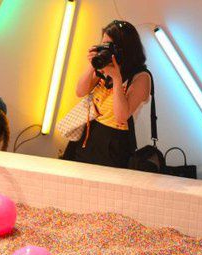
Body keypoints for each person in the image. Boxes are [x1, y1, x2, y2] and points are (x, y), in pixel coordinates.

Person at [62, 20, 151, 168]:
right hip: (88, 134)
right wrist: (92, 65)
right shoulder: (104, 66)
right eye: (104, 44)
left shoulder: (141, 77)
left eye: (111, 46)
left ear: (125, 49)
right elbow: (80, 91)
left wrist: (116, 78)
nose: (107, 51)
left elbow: (121, 116)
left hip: (114, 145)